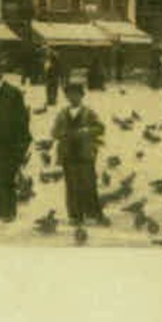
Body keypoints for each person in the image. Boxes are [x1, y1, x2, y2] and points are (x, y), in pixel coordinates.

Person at [0, 59, 32, 220]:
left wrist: (19, 146)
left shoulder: (12, 92)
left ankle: (9, 211)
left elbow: (22, 120)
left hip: (8, 144)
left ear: (1, 72)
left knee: (7, 178)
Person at [51, 81, 106, 224]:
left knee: (88, 184)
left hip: (85, 154)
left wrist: (87, 131)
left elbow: (100, 128)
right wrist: (61, 133)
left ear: (81, 96)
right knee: (71, 186)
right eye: (69, 94)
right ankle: (75, 216)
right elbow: (54, 132)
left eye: (76, 94)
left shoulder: (89, 113)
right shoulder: (62, 114)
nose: (72, 97)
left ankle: (93, 214)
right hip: (68, 154)